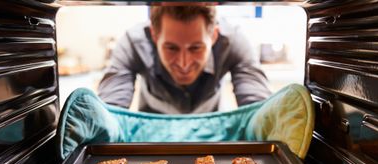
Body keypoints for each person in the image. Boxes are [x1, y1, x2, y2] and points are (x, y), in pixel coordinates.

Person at [98, 5, 272, 114]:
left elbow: (259, 109)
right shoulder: (133, 42)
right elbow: (110, 111)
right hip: (151, 143)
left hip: (214, 141)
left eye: (196, 48)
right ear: (154, 35)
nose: (184, 63)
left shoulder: (233, 41)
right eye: (171, 48)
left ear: (213, 36)